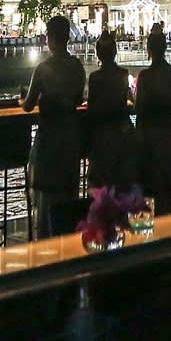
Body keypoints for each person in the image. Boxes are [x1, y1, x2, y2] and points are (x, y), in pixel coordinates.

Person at [22, 15, 87, 238]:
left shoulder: (43, 69)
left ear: (50, 38)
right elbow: (78, 99)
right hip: (71, 139)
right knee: (68, 195)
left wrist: (26, 99)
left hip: (49, 140)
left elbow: (28, 106)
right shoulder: (77, 67)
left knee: (47, 198)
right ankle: (68, 241)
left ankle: (46, 242)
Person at [134, 24, 171, 213]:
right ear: (165, 49)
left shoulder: (145, 77)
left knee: (153, 190)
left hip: (150, 138)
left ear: (149, 51)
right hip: (170, 135)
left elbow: (139, 109)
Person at [84, 29, 139, 193]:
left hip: (102, 135)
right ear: (115, 52)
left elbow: (92, 108)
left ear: (98, 54)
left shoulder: (95, 78)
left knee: (101, 185)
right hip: (121, 133)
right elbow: (130, 101)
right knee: (121, 184)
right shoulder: (123, 74)